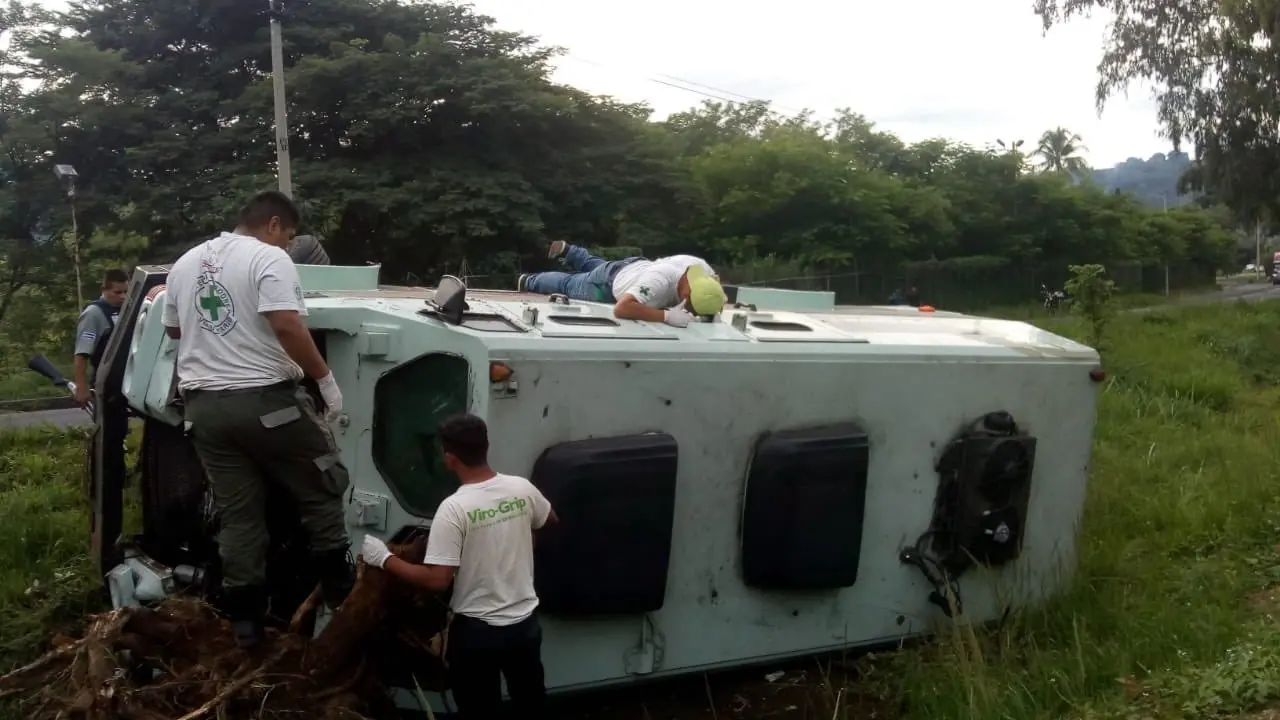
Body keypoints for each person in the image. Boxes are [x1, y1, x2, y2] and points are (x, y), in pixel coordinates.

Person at [159, 190, 353, 649]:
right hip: (266, 402)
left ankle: (245, 619)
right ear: (273, 225)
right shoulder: (269, 257)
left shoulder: (186, 263)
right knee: (324, 481)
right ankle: (343, 591)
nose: (286, 246)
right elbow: (286, 323)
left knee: (239, 515)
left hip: (203, 409)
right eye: (287, 236)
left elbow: (172, 328)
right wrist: (325, 382)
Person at [360, 413, 559, 719]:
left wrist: (384, 559)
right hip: (525, 627)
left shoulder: (454, 508)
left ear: (449, 457)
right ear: (486, 446)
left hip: (479, 635)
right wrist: (523, 541)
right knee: (531, 703)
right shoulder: (521, 489)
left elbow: (437, 579)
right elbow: (551, 521)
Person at [517, 240, 727, 327]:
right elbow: (622, 308)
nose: (691, 312)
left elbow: (716, 290)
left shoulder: (701, 269)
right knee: (569, 284)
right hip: (606, 286)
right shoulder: (658, 283)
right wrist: (666, 316)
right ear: (686, 296)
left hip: (632, 268)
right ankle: (530, 280)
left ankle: (570, 252)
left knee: (599, 265)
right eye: (691, 307)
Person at [71, 269, 129, 407]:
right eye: (117, 292)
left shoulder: (128, 310)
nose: (123, 296)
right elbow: (81, 354)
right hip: (107, 382)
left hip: (127, 379)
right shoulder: (94, 314)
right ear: (104, 290)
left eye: (126, 292)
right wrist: (82, 387)